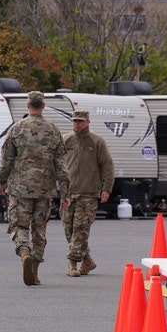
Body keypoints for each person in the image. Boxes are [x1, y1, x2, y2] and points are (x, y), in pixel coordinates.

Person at [0, 91, 68, 286]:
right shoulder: (53, 130)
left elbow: (7, 160)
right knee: (39, 229)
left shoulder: (17, 129)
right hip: (45, 190)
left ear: (28, 106)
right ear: (43, 106)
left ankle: (24, 252)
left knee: (19, 225)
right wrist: (65, 193)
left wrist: (1, 182)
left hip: (20, 188)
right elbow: (61, 164)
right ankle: (34, 270)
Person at [60, 110, 114, 277]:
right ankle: (88, 260)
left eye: (81, 121)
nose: (77, 124)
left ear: (88, 122)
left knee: (80, 229)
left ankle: (72, 263)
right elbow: (57, 164)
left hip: (88, 194)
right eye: (75, 121)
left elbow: (107, 166)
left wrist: (106, 188)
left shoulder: (97, 142)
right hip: (68, 193)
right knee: (69, 230)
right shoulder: (65, 140)